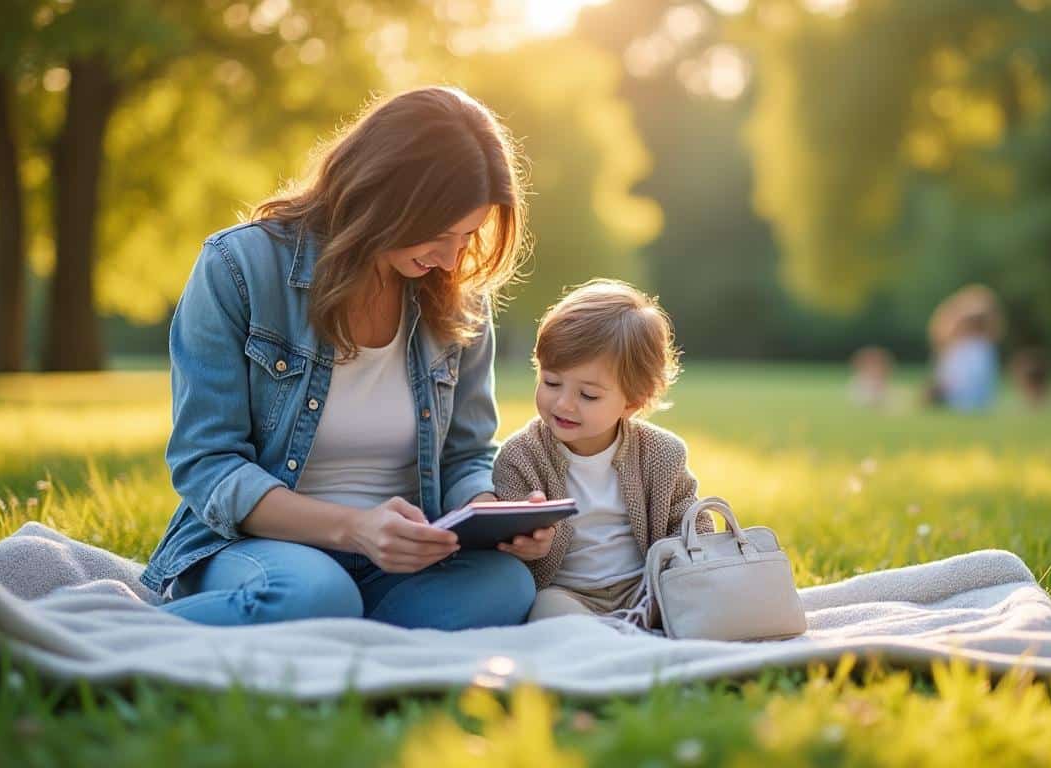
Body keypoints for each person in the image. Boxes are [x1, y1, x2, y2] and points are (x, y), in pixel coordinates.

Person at [141, 87, 544, 629]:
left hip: (397, 561)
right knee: (311, 593)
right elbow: (206, 464)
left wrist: (491, 511)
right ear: (382, 196)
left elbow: (465, 454)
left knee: (505, 585)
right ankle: (135, 630)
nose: (452, 258)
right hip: (260, 546)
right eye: (440, 232)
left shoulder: (458, 292)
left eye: (467, 235)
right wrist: (353, 529)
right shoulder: (239, 267)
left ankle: (337, 631)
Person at [491, 279, 712, 625]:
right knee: (549, 612)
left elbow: (691, 522)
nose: (563, 403)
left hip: (644, 587)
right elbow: (506, 544)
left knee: (695, 602)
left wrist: (678, 567)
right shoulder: (521, 457)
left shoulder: (662, 454)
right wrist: (528, 542)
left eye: (588, 395)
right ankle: (606, 640)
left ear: (634, 402)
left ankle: (632, 633)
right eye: (551, 382)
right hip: (566, 592)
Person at [926, 285, 1003, 411]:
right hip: (961, 401)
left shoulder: (977, 347)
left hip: (964, 402)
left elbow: (963, 383)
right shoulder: (958, 347)